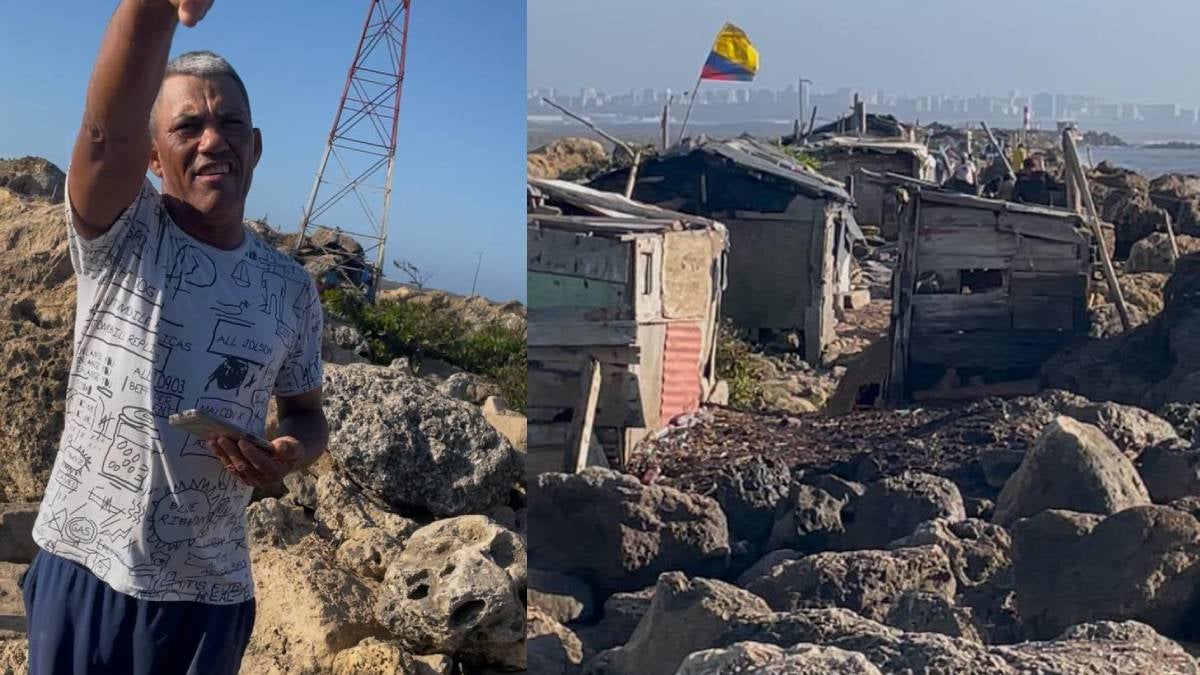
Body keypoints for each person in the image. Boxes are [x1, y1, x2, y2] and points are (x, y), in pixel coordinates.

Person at [21, 1, 328, 673]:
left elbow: (308, 414)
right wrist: (156, 8)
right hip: (86, 571)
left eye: (230, 124)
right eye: (187, 125)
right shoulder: (122, 234)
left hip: (209, 599)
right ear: (156, 157)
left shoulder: (292, 288)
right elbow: (106, 135)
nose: (213, 139)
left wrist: (288, 452)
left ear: (255, 147)